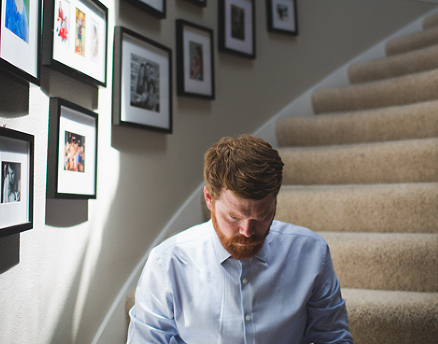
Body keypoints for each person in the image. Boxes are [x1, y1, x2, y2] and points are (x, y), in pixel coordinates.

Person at [127, 134, 354, 344]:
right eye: (234, 217)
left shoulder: (312, 253)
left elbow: (333, 338)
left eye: (262, 216)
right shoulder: (167, 263)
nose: (247, 231)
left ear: (275, 202)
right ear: (209, 199)